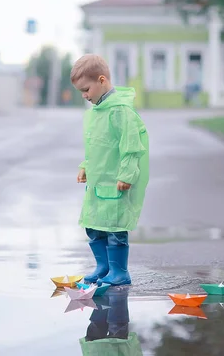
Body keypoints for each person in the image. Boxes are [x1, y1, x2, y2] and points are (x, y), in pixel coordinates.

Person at [70, 54, 150, 286]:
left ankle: (119, 271)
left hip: (116, 182)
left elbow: (131, 146)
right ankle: (103, 267)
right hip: (97, 183)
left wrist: (127, 175)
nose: (84, 96)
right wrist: (85, 166)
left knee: (115, 229)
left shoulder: (120, 111)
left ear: (102, 80)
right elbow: (96, 145)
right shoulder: (96, 111)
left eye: (86, 89)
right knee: (93, 226)